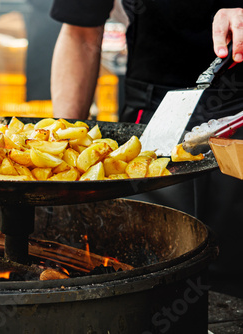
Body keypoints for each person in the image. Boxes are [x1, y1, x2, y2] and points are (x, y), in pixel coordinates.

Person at [49, 1, 243, 297]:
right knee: (147, 267)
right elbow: (81, 32)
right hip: (152, 117)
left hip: (238, 104)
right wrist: (61, 153)